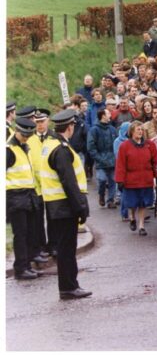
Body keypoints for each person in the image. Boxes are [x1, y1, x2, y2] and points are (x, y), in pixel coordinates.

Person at [42, 109, 91, 300]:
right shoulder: (61, 150)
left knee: (64, 247)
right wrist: (81, 207)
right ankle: (69, 286)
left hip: (55, 205)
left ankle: (69, 285)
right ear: (70, 127)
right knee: (67, 249)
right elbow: (69, 183)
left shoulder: (49, 143)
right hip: (64, 206)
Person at [6, 117, 42, 280]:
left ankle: (27, 264)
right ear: (18, 131)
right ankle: (20, 268)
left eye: (29, 135)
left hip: (27, 194)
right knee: (20, 234)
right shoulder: (9, 149)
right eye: (24, 135)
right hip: (15, 196)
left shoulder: (23, 146)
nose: (27, 138)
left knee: (28, 232)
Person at [115, 121, 157, 236]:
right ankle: (132, 218)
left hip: (146, 179)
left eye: (141, 130)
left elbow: (155, 162)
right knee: (132, 203)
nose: (140, 132)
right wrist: (120, 180)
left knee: (143, 203)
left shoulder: (150, 145)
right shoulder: (124, 146)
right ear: (131, 132)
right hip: (131, 180)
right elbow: (121, 164)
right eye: (137, 129)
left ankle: (141, 226)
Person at [87, 108, 118, 208]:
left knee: (113, 180)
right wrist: (98, 158)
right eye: (108, 113)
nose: (110, 114)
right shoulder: (94, 130)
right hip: (101, 160)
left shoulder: (112, 129)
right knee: (102, 179)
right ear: (103, 116)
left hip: (112, 160)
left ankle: (110, 200)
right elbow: (91, 146)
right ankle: (101, 195)